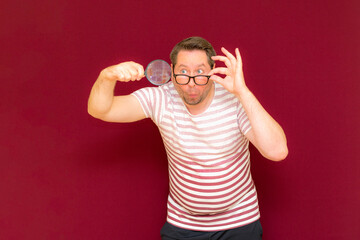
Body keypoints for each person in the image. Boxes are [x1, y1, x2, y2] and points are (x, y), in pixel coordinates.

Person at [88, 37, 288, 240]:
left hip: (240, 222)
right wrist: (106, 77)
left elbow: (277, 151)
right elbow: (101, 110)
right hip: (183, 225)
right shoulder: (161, 99)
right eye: (183, 72)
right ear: (172, 72)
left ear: (213, 71)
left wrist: (243, 92)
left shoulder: (235, 101)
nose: (191, 83)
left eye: (200, 72)